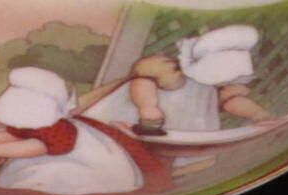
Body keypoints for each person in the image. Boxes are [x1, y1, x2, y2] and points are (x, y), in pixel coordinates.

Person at [0, 66, 169, 195]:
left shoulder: (57, 128)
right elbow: (16, 135)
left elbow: (38, 147)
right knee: (24, 173)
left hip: (80, 161)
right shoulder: (29, 122)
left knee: (55, 176)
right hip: (44, 153)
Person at [83, 24, 271, 136]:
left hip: (183, 131)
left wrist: (259, 115)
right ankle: (149, 118)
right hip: (136, 121)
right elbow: (141, 76)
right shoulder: (165, 71)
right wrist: (149, 109)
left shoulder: (210, 88)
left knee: (230, 100)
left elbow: (231, 102)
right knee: (143, 85)